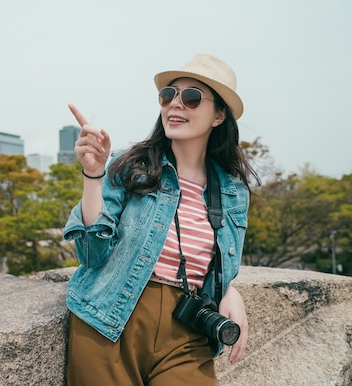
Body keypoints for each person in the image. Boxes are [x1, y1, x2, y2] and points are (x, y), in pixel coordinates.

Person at [64, 53, 259, 386]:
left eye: (192, 97)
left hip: (187, 332)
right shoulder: (133, 169)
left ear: (218, 116)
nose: (176, 105)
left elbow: (222, 263)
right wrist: (93, 176)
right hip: (109, 321)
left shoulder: (232, 192)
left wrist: (229, 291)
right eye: (169, 95)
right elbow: (91, 256)